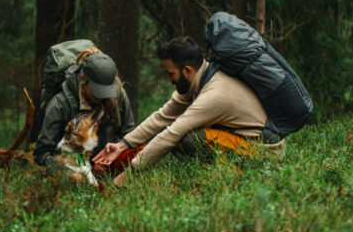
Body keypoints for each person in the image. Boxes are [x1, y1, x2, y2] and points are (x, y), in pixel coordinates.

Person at [93, 36, 285, 186]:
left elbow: (172, 133)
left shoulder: (214, 94)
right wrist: (122, 146)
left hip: (264, 150)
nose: (169, 79)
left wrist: (129, 174)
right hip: (240, 137)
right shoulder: (197, 80)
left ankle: (237, 177)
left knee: (191, 139)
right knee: (183, 140)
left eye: (171, 73)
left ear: (187, 70)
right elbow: (161, 118)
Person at [34, 50, 136, 181]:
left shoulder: (118, 95)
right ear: (83, 78)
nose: (101, 96)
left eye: (105, 91)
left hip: (107, 163)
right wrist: (68, 175)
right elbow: (42, 154)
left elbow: (129, 135)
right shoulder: (60, 104)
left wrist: (108, 157)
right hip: (71, 166)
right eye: (97, 90)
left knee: (139, 153)